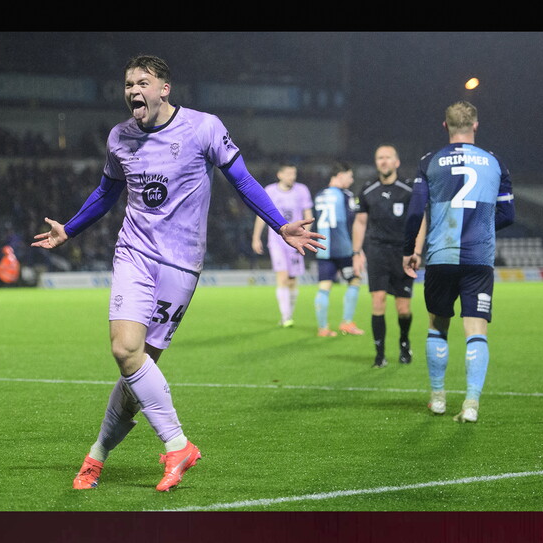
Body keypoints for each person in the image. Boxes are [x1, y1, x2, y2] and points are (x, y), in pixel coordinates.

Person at [32, 55, 325, 492]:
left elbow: (242, 181)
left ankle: (96, 457)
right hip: (133, 253)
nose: (133, 89)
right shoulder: (120, 137)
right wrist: (69, 230)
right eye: (128, 82)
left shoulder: (203, 127)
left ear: (164, 89)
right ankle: (176, 444)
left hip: (181, 265)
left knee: (138, 371)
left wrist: (280, 224)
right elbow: (106, 192)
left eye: (142, 82)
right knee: (124, 349)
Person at [402, 100, 514, 423]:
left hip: (440, 256)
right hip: (479, 259)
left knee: (437, 325)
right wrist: (480, 227)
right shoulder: (495, 163)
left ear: (445, 126)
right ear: (475, 125)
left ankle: (438, 398)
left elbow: (415, 213)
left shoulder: (430, 161)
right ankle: (471, 403)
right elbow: (508, 213)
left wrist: (410, 249)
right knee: (476, 330)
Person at [352, 145, 426, 367]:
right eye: (379, 158)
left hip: (402, 253)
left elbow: (420, 220)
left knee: (403, 308)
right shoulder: (367, 189)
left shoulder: (409, 188)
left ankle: (404, 341)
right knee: (378, 301)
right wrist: (356, 252)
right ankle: (379, 354)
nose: (383, 161)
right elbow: (360, 222)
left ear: (397, 162)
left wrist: (417, 251)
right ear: (376, 162)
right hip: (376, 251)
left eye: (388, 157)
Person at [251, 162, 315, 328]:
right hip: (277, 241)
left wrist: (304, 235)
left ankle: (289, 314)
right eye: (288, 174)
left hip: (295, 242)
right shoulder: (270, 191)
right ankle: (286, 317)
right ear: (280, 175)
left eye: (293, 174)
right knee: (283, 277)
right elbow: (262, 215)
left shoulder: (302, 190)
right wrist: (256, 237)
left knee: (292, 280)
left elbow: (308, 215)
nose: (291, 177)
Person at [312, 161, 364, 338]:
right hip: (344, 248)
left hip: (324, 248)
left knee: (324, 287)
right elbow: (353, 222)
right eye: (350, 177)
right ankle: (347, 323)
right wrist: (358, 250)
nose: (351, 180)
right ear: (340, 176)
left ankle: (323, 328)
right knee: (355, 280)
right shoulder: (346, 195)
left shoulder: (319, 195)